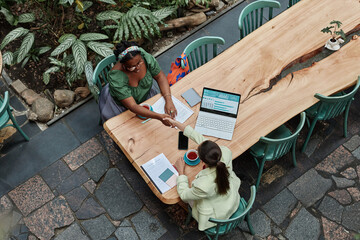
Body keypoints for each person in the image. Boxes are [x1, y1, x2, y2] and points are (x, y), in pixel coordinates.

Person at [164, 118, 241, 231]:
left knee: (186, 192)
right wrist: (177, 124)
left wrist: (181, 172)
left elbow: (184, 196)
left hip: (217, 216)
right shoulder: (225, 152)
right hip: (231, 200)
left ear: (201, 160)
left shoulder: (203, 185)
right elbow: (202, 140)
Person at [99, 41, 177, 125]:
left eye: (139, 62)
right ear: (123, 65)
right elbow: (133, 106)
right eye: (132, 67)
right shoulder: (116, 77)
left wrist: (168, 100)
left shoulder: (143, 56)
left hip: (145, 95)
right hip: (123, 106)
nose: (137, 68)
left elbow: (160, 76)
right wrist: (160, 117)